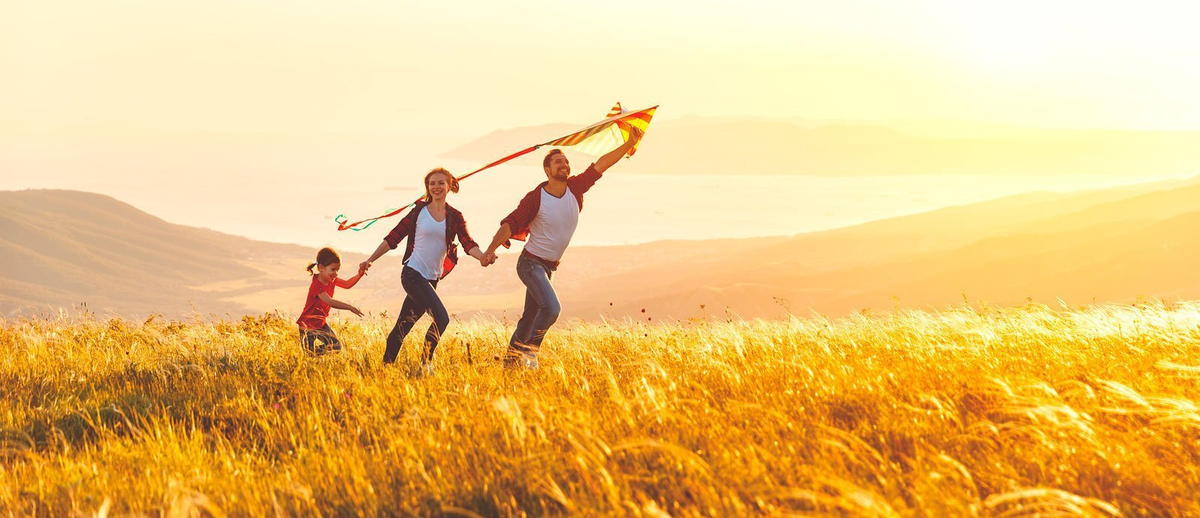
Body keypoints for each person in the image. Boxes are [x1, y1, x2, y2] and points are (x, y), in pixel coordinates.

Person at [482, 126, 644, 369]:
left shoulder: (576, 188)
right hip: (530, 264)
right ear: (547, 170)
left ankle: (509, 366)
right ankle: (530, 352)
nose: (564, 165)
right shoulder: (536, 197)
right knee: (552, 308)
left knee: (528, 320)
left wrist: (628, 143)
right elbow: (511, 223)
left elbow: (603, 164)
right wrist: (491, 248)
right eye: (558, 162)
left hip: (548, 268)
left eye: (566, 162)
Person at [360, 168, 489, 374]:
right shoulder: (418, 212)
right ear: (427, 187)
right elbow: (393, 237)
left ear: (449, 186)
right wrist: (370, 260)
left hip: (431, 280)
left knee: (404, 325)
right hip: (412, 274)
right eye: (431, 183)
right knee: (442, 318)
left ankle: (384, 369)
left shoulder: (454, 216)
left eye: (440, 183)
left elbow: (467, 243)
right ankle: (425, 364)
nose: (436, 187)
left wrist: (482, 256)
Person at [297, 247, 364, 355]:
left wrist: (359, 275)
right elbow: (330, 301)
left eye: (337, 270)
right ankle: (311, 357)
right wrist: (350, 307)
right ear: (321, 267)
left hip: (320, 323)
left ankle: (314, 356)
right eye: (333, 269)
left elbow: (347, 284)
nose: (336, 273)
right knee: (310, 354)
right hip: (307, 326)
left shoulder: (331, 280)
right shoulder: (317, 285)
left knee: (336, 346)